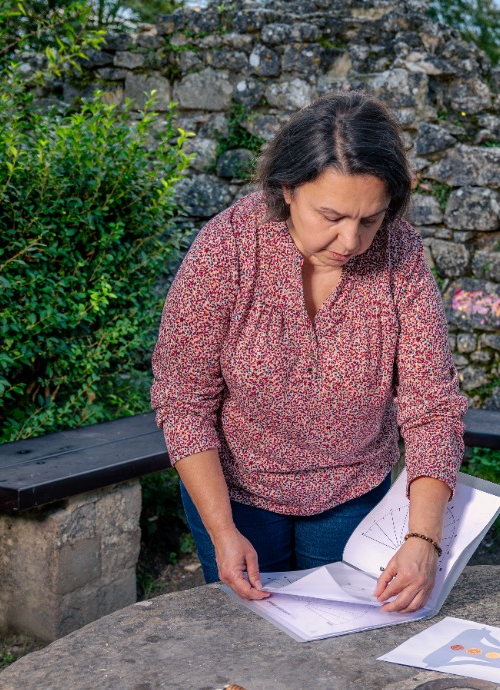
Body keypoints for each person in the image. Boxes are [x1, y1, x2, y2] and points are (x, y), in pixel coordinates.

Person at [150, 91, 467, 614]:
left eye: (370, 220)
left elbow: (432, 407)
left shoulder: (402, 253)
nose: (351, 240)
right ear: (288, 189)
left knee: (345, 643)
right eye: (332, 215)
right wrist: (223, 531)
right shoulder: (227, 248)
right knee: (251, 640)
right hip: (235, 492)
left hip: (352, 493)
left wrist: (423, 540)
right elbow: (184, 401)